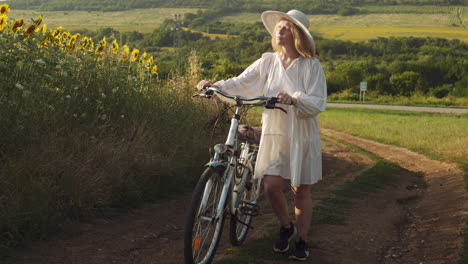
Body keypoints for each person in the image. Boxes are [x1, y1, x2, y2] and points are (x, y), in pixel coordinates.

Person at [197, 9, 327, 261]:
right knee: (270, 186)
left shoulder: (311, 66)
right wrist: (214, 85)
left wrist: (295, 99)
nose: (280, 30)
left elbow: (318, 101)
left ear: (298, 34)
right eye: (279, 26)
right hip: (275, 131)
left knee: (300, 190)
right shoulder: (268, 60)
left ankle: (302, 240)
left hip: (301, 133)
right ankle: (286, 226)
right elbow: (242, 81)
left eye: (287, 27)